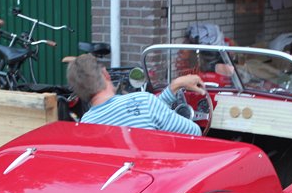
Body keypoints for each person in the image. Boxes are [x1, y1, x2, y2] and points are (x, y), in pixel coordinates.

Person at [66, 53, 204, 136]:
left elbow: (151, 113)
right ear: (105, 74)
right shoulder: (144, 101)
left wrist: (175, 86)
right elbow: (195, 133)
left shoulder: (85, 124)